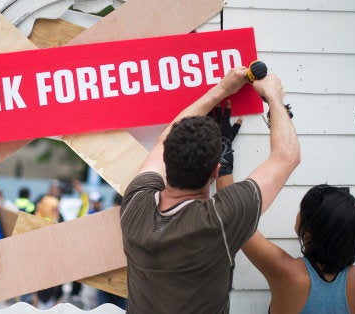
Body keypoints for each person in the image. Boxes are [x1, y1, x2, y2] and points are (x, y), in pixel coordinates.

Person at [120, 67, 300, 313]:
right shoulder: (218, 221)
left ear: (168, 161)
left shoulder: (136, 202)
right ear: (216, 170)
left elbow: (164, 140)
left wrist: (222, 89)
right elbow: (286, 157)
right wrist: (274, 98)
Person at [214, 102, 355, 313]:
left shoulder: (288, 273)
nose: (298, 213)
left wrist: (224, 152)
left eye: (303, 211)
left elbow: (234, 215)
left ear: (308, 232)